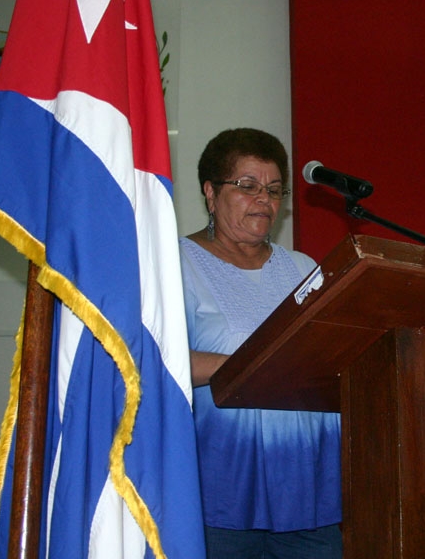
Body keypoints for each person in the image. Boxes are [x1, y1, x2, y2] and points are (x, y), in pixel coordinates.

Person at [179, 128, 342, 558]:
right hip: (222, 489)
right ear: (211, 193)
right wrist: (260, 364)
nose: (264, 200)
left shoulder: (302, 268)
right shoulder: (176, 263)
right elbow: (154, 359)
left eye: (273, 190)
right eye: (247, 186)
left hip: (311, 491)